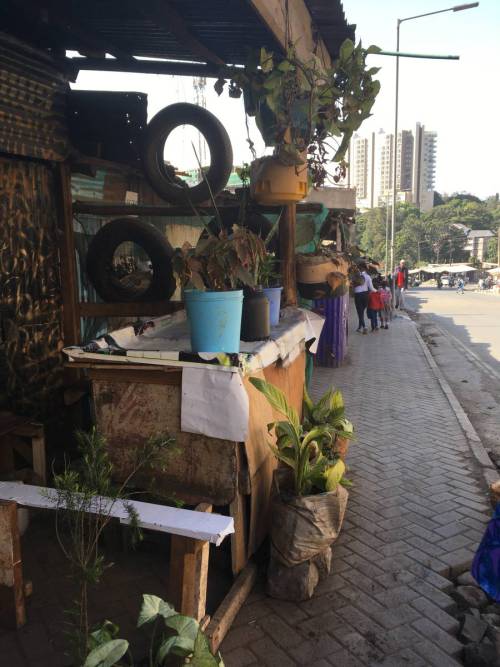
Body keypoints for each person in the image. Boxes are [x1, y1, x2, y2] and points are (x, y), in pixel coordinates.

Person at [353, 261, 377, 334]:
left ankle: (364, 327)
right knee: (361, 311)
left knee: (359, 312)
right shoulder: (368, 276)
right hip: (366, 296)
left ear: (359, 267)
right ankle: (359, 327)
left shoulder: (355, 275)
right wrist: (378, 292)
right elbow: (371, 288)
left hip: (358, 295)